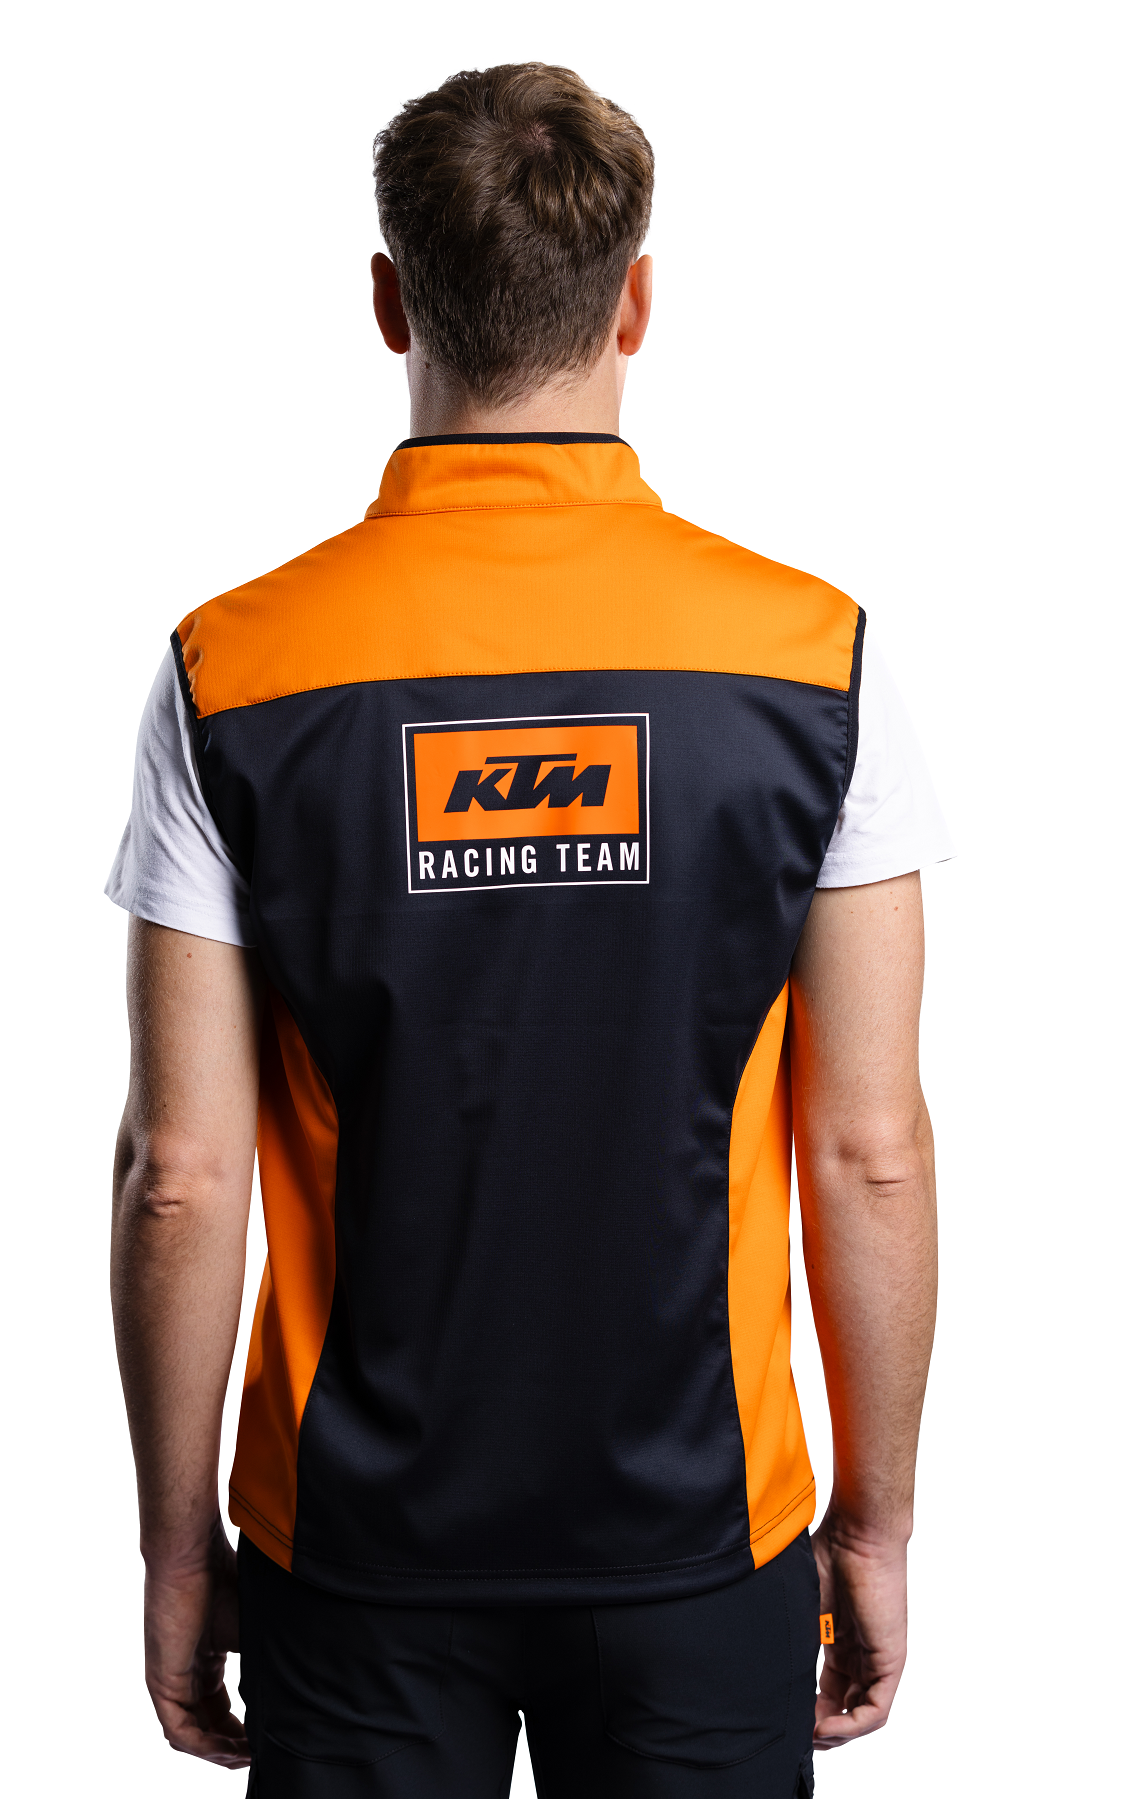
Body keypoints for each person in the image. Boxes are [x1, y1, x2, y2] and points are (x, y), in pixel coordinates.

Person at [108, 62, 948, 1799]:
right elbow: (869, 1149)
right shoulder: (816, 665)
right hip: (702, 1541)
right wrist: (875, 1521)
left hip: (356, 1551)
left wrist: (177, 1544)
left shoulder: (233, 674)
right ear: (635, 302)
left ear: (390, 299)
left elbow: (179, 1172)